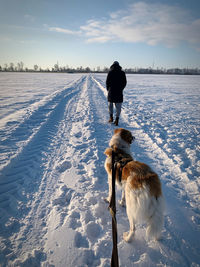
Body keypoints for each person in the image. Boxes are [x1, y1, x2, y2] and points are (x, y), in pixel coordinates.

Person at [106, 61, 127, 126]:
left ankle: (111, 118)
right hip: (119, 91)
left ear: (112, 65)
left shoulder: (110, 72)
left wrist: (108, 89)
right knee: (118, 107)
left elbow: (107, 82)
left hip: (111, 91)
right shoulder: (122, 72)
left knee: (110, 105)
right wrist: (121, 89)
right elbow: (125, 82)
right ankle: (117, 119)